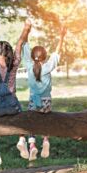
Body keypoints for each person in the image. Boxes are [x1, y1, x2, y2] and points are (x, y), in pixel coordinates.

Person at [0, 19, 32, 165]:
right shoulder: (14, 64)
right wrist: (26, 28)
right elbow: (19, 43)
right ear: (9, 53)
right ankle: (22, 140)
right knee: (22, 116)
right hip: (12, 106)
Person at [18, 23, 67, 161]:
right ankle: (45, 140)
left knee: (32, 122)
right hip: (46, 100)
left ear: (33, 57)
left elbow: (25, 46)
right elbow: (57, 53)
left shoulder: (28, 65)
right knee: (45, 121)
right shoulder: (48, 67)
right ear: (45, 57)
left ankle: (32, 145)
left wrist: (27, 31)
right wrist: (62, 37)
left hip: (34, 100)